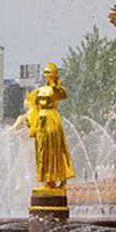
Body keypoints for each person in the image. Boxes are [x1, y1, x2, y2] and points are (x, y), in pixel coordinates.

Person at [25, 62, 74, 190]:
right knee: (42, 150)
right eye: (45, 72)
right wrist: (31, 122)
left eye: (49, 72)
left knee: (55, 149)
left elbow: (63, 95)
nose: (46, 74)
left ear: (55, 74)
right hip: (41, 121)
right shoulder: (38, 91)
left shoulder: (57, 90)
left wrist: (55, 85)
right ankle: (47, 179)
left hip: (52, 119)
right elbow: (32, 106)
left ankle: (58, 178)